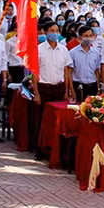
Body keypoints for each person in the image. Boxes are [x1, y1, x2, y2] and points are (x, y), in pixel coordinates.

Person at [32, 21, 71, 155]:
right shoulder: (39, 50)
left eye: (57, 31)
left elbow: (66, 72)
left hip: (58, 89)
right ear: (46, 32)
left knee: (57, 121)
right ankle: (39, 148)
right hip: (44, 88)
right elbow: (35, 73)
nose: (55, 33)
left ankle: (54, 148)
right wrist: (36, 93)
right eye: (52, 31)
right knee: (41, 120)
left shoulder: (64, 50)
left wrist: (66, 91)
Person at [68, 26, 101, 102]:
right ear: (80, 37)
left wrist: (98, 87)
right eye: (86, 36)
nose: (88, 38)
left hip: (93, 85)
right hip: (79, 86)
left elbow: (96, 71)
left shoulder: (96, 52)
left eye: (90, 36)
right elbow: (69, 72)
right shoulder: (73, 53)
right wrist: (72, 90)